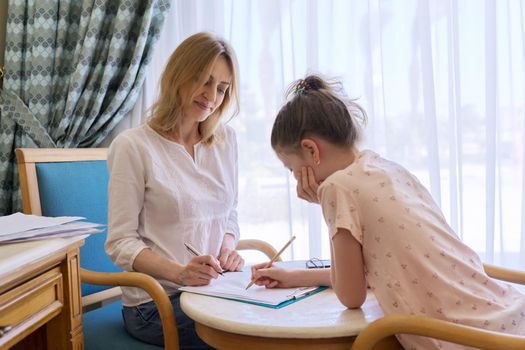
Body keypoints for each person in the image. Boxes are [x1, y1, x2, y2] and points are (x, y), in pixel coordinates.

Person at [251, 75, 525, 349]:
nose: (296, 179)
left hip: (468, 339)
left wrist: (327, 209)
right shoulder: (384, 167)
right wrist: (293, 277)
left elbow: (351, 296)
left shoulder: (337, 188)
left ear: (311, 150)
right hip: (505, 316)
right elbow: (378, 269)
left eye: (291, 169)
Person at [105, 32, 244, 349]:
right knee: (247, 335)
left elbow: (230, 213)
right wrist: (179, 273)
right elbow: (119, 243)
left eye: (222, 89)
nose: (211, 96)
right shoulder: (133, 146)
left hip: (213, 291)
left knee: (273, 319)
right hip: (155, 304)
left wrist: (226, 247)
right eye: (204, 81)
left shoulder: (226, 141)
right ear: (178, 75)